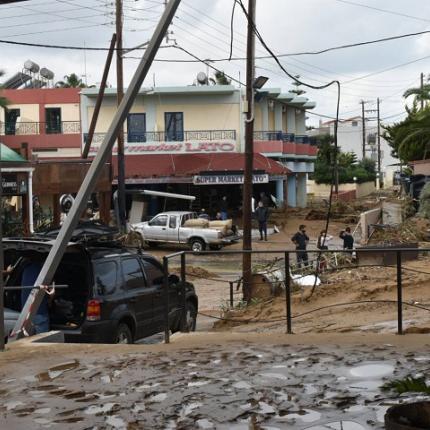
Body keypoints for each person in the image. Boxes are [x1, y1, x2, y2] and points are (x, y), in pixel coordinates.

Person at [20, 259, 54, 335]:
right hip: (40, 312)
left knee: (27, 340)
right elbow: (51, 293)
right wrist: (50, 301)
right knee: (41, 340)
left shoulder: (26, 270)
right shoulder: (45, 273)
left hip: (25, 313)